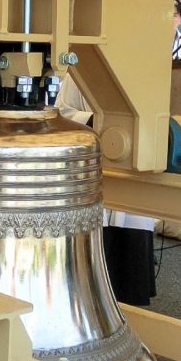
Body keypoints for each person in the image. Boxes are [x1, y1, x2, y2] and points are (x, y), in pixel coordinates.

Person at [55, 75, 156, 305]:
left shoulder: (146, 71)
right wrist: (96, 120)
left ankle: (131, 311)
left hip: (133, 166)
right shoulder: (78, 74)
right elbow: (61, 112)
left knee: (129, 268)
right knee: (90, 280)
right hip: (91, 166)